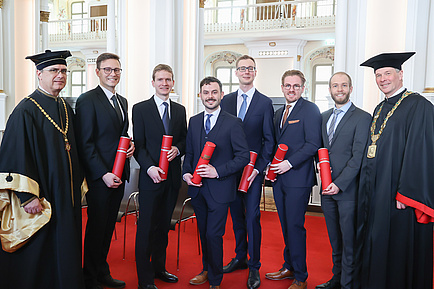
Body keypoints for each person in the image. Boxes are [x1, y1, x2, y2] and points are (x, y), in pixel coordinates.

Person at [0, 50, 85, 289]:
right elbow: (14, 154)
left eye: (64, 71)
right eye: (54, 71)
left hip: (65, 196)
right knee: (41, 246)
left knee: (65, 243)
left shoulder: (65, 108)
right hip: (41, 195)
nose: (60, 75)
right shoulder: (25, 110)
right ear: (39, 74)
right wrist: (27, 197)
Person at [355, 52, 434, 289]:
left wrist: (406, 192)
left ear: (400, 74)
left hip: (400, 196)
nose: (382, 79)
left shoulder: (419, 106)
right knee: (376, 241)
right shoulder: (380, 107)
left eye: (387, 73)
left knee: (398, 247)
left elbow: (421, 152)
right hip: (377, 191)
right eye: (378, 75)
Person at [183, 76, 250, 289]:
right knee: (203, 233)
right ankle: (205, 269)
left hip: (221, 190)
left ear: (221, 95)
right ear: (200, 96)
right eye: (206, 92)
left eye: (214, 92)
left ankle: (215, 280)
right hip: (197, 189)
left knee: (214, 234)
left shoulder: (233, 122)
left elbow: (243, 157)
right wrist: (186, 174)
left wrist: (217, 171)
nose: (210, 96)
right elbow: (191, 153)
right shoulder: (194, 121)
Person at [75, 52, 134, 289]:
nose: (113, 74)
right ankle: (88, 277)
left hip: (119, 175)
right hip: (100, 178)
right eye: (108, 69)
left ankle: (101, 270)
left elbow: (121, 135)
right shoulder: (87, 100)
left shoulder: (122, 101)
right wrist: (102, 173)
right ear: (97, 72)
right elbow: (85, 143)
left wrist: (131, 146)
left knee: (109, 226)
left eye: (117, 70)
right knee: (97, 228)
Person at [220, 55, 274, 289]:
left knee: (252, 217)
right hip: (230, 171)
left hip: (252, 172)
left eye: (250, 68)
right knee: (237, 217)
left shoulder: (264, 103)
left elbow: (269, 140)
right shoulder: (227, 100)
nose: (246, 71)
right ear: (236, 73)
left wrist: (259, 169)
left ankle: (254, 266)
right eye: (242, 68)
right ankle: (240, 257)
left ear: (255, 72)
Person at [265, 70, 322, 289]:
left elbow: (313, 143)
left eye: (296, 86)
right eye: (287, 86)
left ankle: (301, 276)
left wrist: (290, 163)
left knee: (295, 226)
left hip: (298, 178)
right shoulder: (279, 112)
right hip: (279, 179)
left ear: (303, 88)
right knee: (285, 225)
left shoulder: (310, 110)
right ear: (282, 88)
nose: (291, 89)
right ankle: (288, 265)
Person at [132, 64, 187, 289]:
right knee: (146, 228)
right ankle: (144, 278)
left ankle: (159, 268)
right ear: (153, 82)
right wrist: (149, 168)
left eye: (168, 79)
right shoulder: (140, 109)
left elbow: (184, 139)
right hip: (150, 178)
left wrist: (178, 149)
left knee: (164, 226)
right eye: (160, 79)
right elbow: (140, 145)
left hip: (172, 179)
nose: (164, 83)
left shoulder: (180, 110)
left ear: (173, 83)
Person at [315, 72, 371, 289]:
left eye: (344, 85)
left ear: (351, 88)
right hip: (326, 191)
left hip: (347, 191)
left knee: (349, 242)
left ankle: (348, 284)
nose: (339, 89)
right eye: (335, 85)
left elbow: (359, 157)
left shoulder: (362, 117)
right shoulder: (323, 116)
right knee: (335, 240)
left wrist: (338, 184)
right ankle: (336, 279)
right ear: (329, 90)